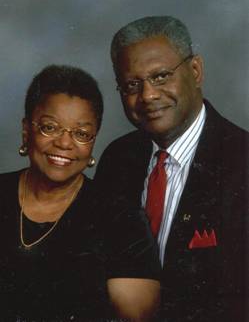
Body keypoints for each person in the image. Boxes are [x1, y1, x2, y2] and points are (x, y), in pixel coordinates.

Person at [94, 16, 249, 322]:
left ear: (195, 71)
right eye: (132, 85)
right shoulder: (117, 158)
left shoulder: (242, 161)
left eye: (161, 76)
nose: (148, 95)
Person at [0, 64, 160, 321]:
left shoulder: (121, 219)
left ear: (94, 141)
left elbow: (136, 317)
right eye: (49, 128)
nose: (64, 143)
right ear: (26, 130)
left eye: (81, 134)